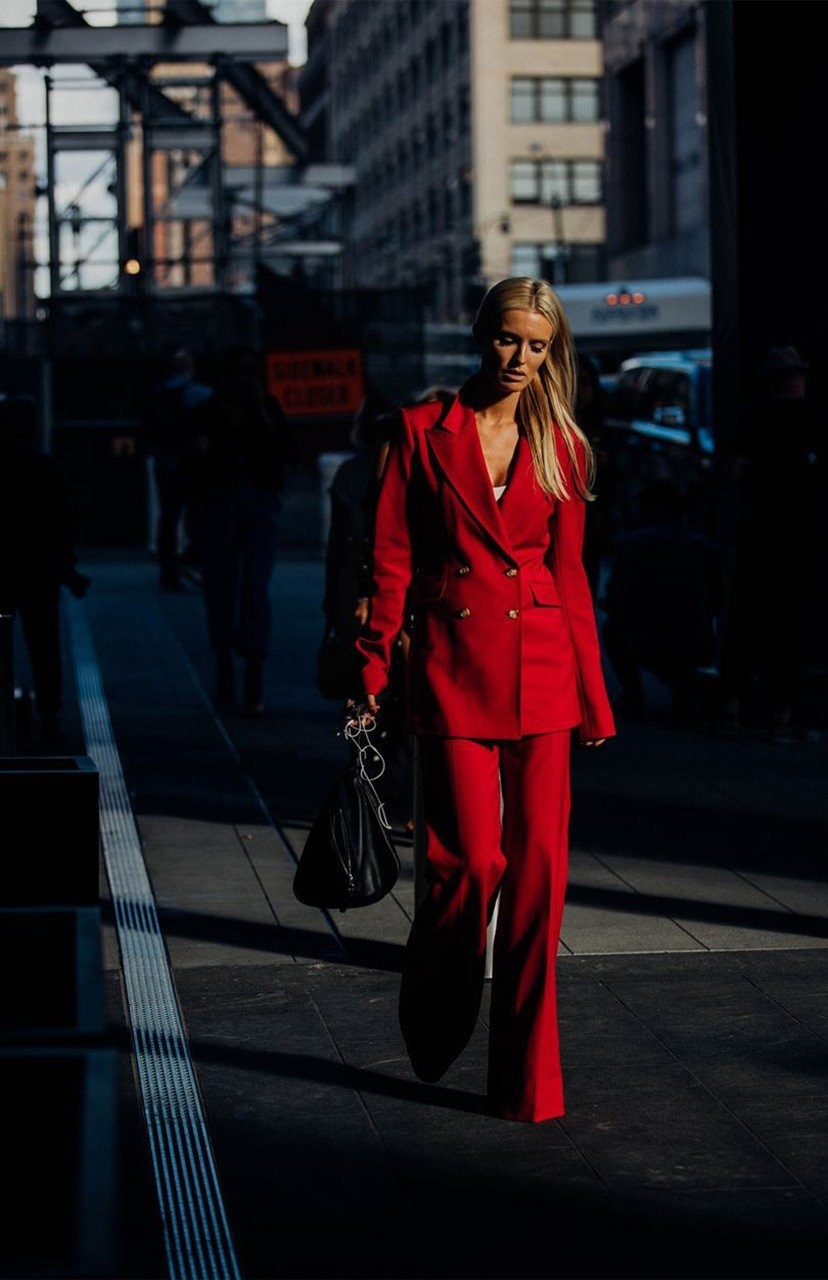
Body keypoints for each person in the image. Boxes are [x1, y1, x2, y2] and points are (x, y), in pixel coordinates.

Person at [350, 277, 616, 1124]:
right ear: (480, 336)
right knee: (467, 866)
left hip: (543, 671)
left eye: (538, 346)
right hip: (452, 666)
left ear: (554, 353)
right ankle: (439, 996)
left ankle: (528, 1085)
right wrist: (368, 675)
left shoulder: (564, 445)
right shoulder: (419, 434)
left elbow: (571, 576)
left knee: (539, 877)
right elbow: (389, 560)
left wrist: (595, 696)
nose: (521, 359)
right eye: (508, 340)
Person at [719, 344, 826, 742]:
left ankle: (731, 710)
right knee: (791, 626)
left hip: (758, 531)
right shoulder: (812, 420)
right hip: (798, 534)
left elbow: (735, 470)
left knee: (746, 621)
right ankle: (782, 717)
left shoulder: (753, 419)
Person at [187, 345, 295, 716]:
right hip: (245, 501)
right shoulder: (252, 411)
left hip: (230, 502)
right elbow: (286, 454)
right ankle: (245, 674)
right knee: (243, 589)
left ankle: (237, 671)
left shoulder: (221, 412)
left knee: (234, 588)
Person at [0, 393, 90, 747]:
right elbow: (60, 524)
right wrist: (68, 569)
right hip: (38, 569)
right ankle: (49, 713)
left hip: (2, 566)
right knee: (44, 642)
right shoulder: (44, 466)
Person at [600, 478, 723, 726]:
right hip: (694, 641)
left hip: (645, 638)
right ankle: (683, 696)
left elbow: (616, 596)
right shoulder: (704, 547)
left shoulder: (635, 542)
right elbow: (715, 602)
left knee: (612, 630)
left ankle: (634, 696)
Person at [139, 347, 212, 590]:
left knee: (168, 518)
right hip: (193, 463)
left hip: (165, 463)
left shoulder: (156, 394)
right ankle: (194, 559)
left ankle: (168, 570)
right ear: (190, 368)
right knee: (200, 513)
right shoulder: (199, 394)